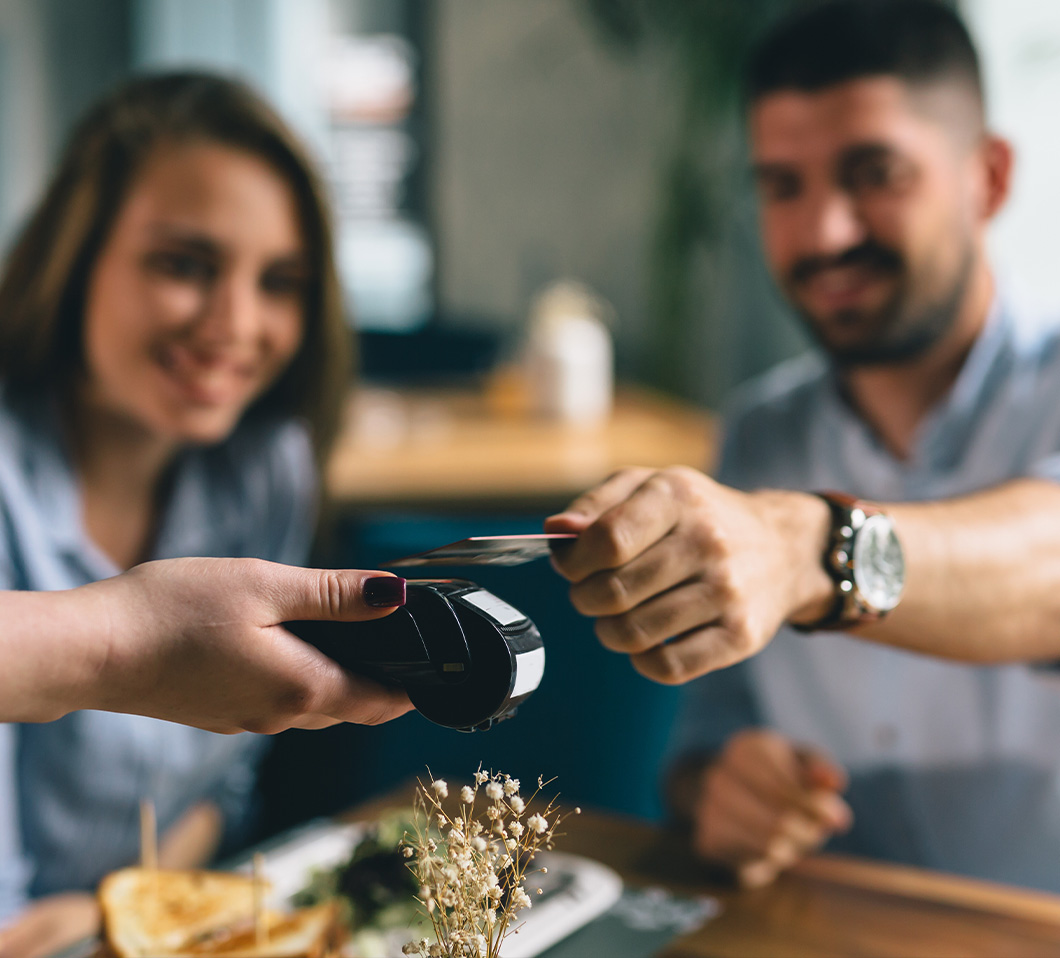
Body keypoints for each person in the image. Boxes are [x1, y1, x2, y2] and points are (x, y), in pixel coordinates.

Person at [547, 0, 1060, 892]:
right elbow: (703, 744)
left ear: (990, 176)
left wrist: (808, 547)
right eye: (784, 186)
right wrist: (721, 791)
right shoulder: (759, 434)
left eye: (875, 173)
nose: (825, 232)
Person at [0, 71, 404, 957]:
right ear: (76, 257)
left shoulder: (266, 469)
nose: (235, 324)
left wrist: (129, 903)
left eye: (281, 282)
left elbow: (225, 788)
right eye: (185, 265)